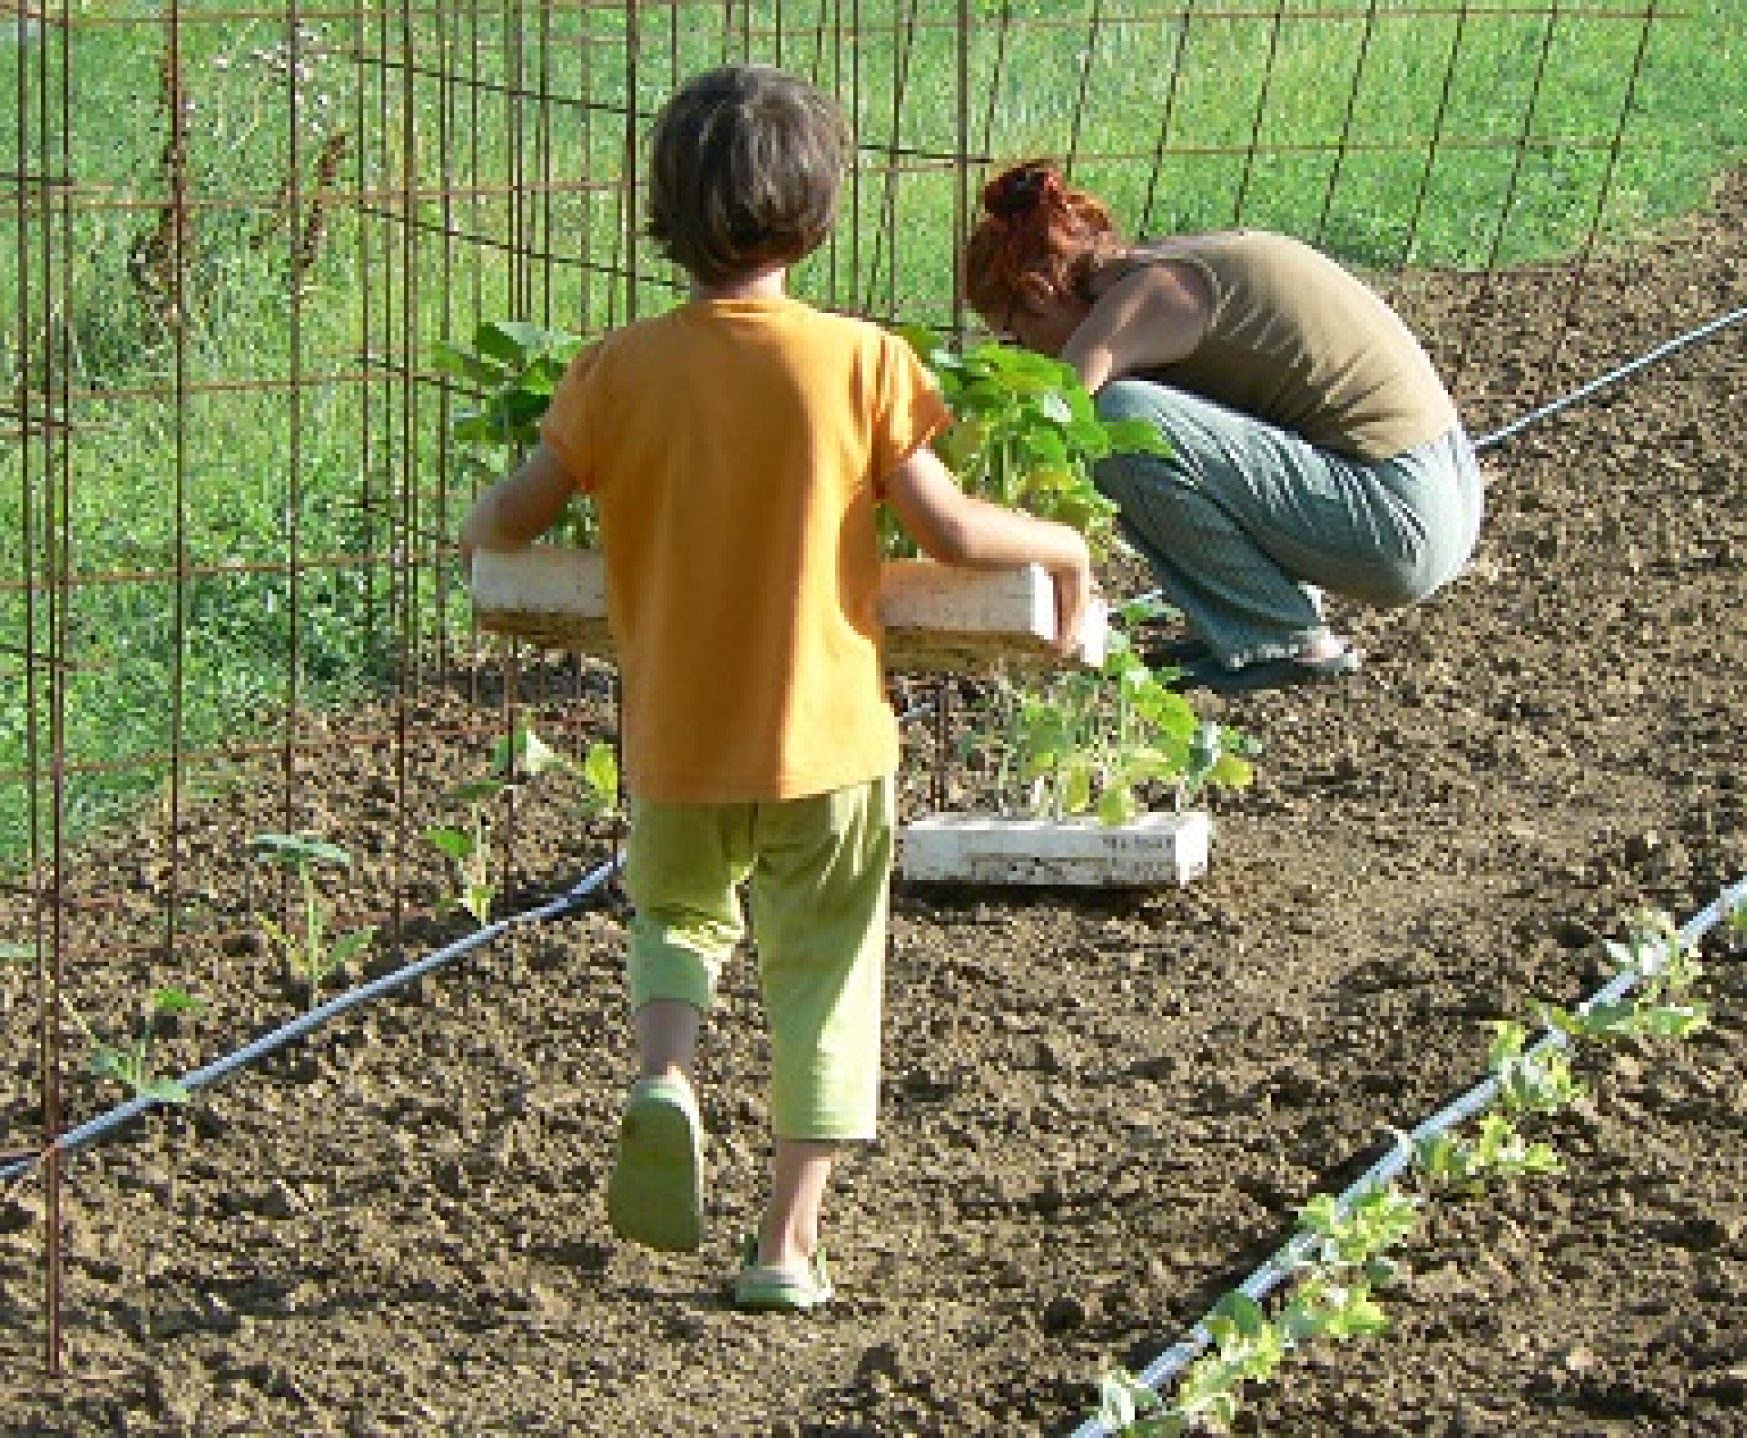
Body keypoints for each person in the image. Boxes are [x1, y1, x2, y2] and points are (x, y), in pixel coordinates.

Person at [460, 68, 1092, 1312]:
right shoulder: (864, 363)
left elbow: (509, 525)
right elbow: (954, 535)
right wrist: (1066, 553)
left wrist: (480, 525)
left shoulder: (615, 371)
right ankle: (786, 1249)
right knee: (824, 978)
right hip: (832, 745)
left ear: (665, 216)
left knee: (678, 913)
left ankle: (669, 1075)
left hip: (676, 741)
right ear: (817, 213)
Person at [962, 159, 1483, 693]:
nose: (1024, 355)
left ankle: (1280, 636)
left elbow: (1051, 423)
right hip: (1441, 489)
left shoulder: (1145, 303)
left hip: (1400, 519)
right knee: (1148, 419)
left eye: (1014, 337)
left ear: (1038, 294)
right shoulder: (1174, 265)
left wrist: (962, 522)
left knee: (1115, 420)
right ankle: (1249, 623)